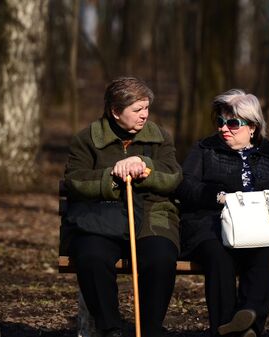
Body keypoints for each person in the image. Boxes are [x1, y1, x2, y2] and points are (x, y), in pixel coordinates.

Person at [175, 89, 269, 337]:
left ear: (252, 126)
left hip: (260, 227)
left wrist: (265, 201)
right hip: (210, 224)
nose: (224, 129)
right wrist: (217, 197)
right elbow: (185, 184)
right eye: (221, 122)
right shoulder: (205, 149)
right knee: (217, 254)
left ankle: (249, 323)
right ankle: (225, 328)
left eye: (233, 123)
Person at [64, 77, 182, 337]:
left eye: (147, 108)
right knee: (92, 256)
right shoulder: (87, 139)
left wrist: (145, 167)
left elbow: (173, 176)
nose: (144, 116)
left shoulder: (160, 137)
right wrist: (111, 176)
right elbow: (75, 180)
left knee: (161, 257)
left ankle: (150, 330)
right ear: (116, 112)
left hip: (152, 216)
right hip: (101, 218)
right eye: (137, 110)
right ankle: (110, 328)